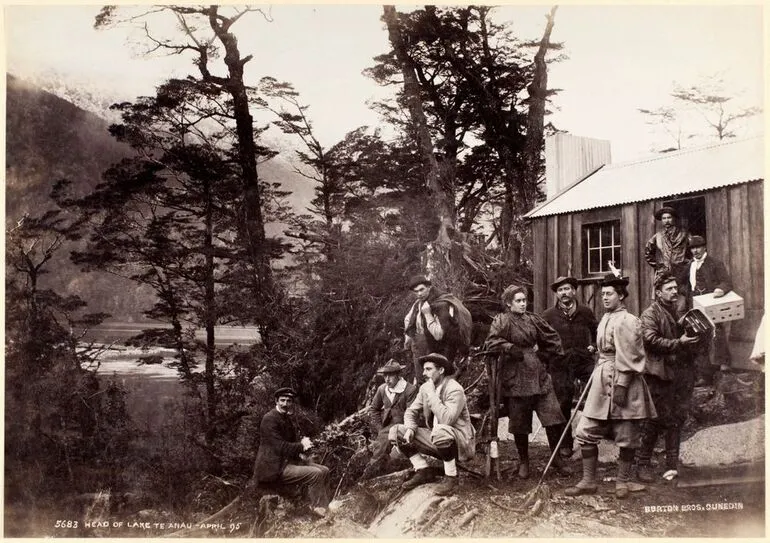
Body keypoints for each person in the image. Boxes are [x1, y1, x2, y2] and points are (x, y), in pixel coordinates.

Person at [565, 274, 656, 499]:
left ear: (621, 295)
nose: (605, 297)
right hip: (602, 376)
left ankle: (622, 481)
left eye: (609, 294)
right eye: (603, 294)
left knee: (626, 434)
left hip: (623, 380)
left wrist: (623, 386)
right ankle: (588, 481)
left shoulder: (627, 320)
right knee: (585, 431)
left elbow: (632, 355)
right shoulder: (606, 317)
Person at [484, 285, 570, 479]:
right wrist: (508, 346)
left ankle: (556, 458)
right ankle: (524, 461)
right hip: (516, 377)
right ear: (508, 303)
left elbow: (553, 338)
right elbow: (490, 342)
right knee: (520, 422)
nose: (523, 304)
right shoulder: (502, 320)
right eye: (518, 301)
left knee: (553, 417)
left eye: (524, 300)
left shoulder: (533, 319)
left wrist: (546, 355)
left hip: (538, 373)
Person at [637, 273, 701, 482]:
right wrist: (679, 343)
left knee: (676, 419)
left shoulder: (677, 311)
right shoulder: (650, 314)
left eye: (675, 288)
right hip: (658, 374)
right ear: (658, 293)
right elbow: (650, 340)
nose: (675, 291)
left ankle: (672, 464)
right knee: (654, 420)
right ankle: (643, 464)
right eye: (669, 289)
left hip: (679, 374)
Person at [389, 353, 476, 496]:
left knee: (440, 430)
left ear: (441, 370)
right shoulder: (426, 389)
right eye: (424, 369)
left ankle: (451, 478)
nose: (424, 373)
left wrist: (431, 394)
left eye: (428, 369)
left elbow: (447, 420)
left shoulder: (454, 389)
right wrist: (410, 428)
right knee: (396, 431)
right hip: (438, 438)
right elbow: (411, 412)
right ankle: (423, 469)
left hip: (460, 443)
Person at [542, 276, 599, 460]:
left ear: (574, 291)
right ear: (557, 294)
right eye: (560, 290)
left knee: (597, 391)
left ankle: (592, 438)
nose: (564, 293)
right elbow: (541, 339)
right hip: (560, 363)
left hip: (583, 360)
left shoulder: (585, 312)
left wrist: (594, 346)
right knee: (563, 402)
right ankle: (566, 444)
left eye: (567, 289)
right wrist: (549, 357)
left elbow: (597, 330)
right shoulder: (549, 315)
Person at [252, 387, 331, 516]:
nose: (285, 404)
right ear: (276, 401)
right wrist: (301, 446)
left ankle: (324, 505)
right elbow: (280, 446)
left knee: (324, 470)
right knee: (315, 473)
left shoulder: (284, 417)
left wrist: (302, 449)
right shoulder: (269, 419)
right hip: (273, 469)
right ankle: (319, 510)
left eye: (289, 401)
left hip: (286, 462)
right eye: (282, 400)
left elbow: (289, 442)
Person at [361, 359, 418, 480]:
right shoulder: (383, 389)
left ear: (398, 375)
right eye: (385, 375)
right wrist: (379, 428)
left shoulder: (409, 390)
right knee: (379, 450)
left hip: (404, 426)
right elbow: (374, 409)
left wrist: (407, 429)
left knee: (399, 456)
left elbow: (412, 413)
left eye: (390, 375)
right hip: (388, 427)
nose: (387, 379)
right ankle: (371, 478)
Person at [687, 235, 734, 378]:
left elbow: (726, 282)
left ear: (704, 247)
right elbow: (683, 283)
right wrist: (688, 293)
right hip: (696, 305)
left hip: (712, 304)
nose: (695, 251)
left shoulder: (715, 263)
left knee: (717, 334)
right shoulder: (690, 265)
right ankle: (704, 374)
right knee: (699, 336)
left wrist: (720, 289)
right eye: (693, 248)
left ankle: (724, 367)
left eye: (698, 247)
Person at [403, 275, 456, 382]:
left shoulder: (440, 304)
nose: (419, 293)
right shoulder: (418, 303)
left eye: (422, 289)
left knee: (434, 379)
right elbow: (408, 319)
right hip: (418, 347)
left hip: (435, 348)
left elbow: (439, 335)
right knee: (420, 378)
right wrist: (407, 338)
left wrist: (427, 314)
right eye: (416, 291)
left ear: (429, 287)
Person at [644, 206, 690, 314]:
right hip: (663, 275)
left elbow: (693, 249)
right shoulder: (658, 237)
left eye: (669, 218)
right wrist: (658, 265)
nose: (666, 221)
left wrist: (687, 264)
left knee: (680, 305)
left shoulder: (684, 234)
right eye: (664, 218)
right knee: (663, 305)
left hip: (680, 275)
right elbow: (647, 253)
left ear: (673, 219)